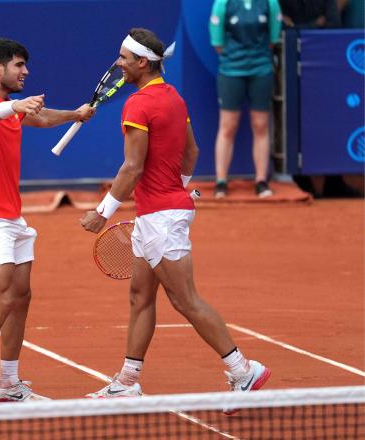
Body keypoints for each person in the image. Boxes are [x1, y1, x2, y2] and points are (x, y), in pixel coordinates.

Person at [80, 28, 271, 413]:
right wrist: (178, 187)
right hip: (160, 211)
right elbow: (193, 151)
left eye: (123, 58)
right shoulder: (173, 98)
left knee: (185, 300)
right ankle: (128, 382)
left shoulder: (137, 106)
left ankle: (242, 370)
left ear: (142, 63)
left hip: (161, 217)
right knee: (140, 296)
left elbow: (131, 168)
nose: (118, 64)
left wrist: (102, 213)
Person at [0, 38, 95, 405]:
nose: (25, 71)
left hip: (12, 218)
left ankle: (8, 383)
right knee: (0, 299)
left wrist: (74, 115)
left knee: (20, 298)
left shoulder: (11, 109)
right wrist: (14, 105)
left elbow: (41, 117)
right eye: (18, 65)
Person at [209, 0, 282, 198]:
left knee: (260, 125)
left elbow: (272, 39)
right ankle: (221, 182)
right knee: (228, 126)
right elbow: (218, 43)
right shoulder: (222, 4)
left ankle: (261, 181)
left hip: (261, 70)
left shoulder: (270, 3)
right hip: (231, 71)